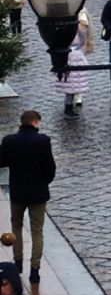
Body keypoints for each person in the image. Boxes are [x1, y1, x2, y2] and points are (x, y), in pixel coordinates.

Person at [0, 111, 56, 284]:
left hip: (18, 191)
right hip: (38, 193)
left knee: (16, 225)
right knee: (37, 231)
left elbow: (1, 161)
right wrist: (43, 182)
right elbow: (50, 168)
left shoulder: (9, 140)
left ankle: (17, 263)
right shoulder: (43, 141)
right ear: (35, 122)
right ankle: (35, 268)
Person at [61, 31, 89, 117]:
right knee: (70, 83)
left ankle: (69, 106)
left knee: (73, 83)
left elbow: (83, 39)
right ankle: (68, 107)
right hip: (69, 57)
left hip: (75, 57)